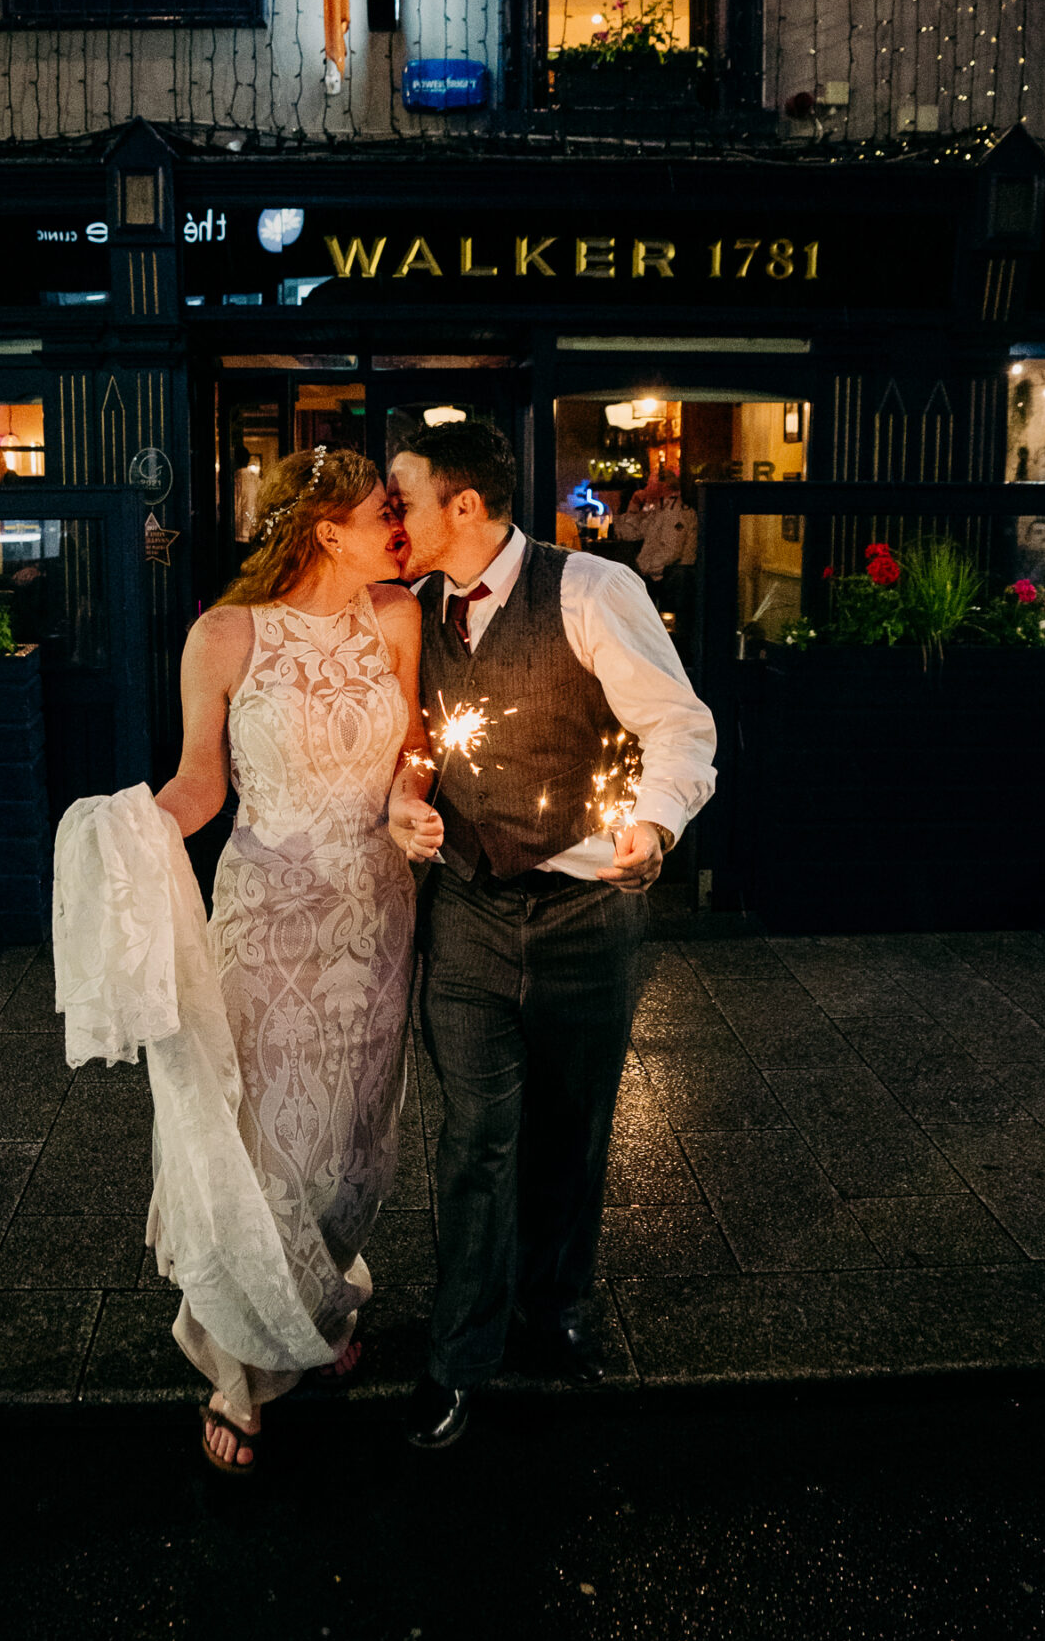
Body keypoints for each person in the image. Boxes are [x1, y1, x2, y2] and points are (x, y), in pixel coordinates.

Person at [385, 419, 717, 1451]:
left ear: (466, 506)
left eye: (403, 498)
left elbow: (681, 725)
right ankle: (457, 1356)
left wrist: (656, 823)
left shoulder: (591, 591)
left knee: (572, 1130)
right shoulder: (417, 613)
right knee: (475, 1140)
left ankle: (554, 1304)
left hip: (586, 914)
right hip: (472, 913)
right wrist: (407, 807)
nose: (392, 518)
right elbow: (418, 752)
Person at [154, 444, 426, 1471]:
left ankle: (315, 1303)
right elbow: (201, 785)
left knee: (353, 1143)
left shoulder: (395, 618)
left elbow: (415, 749)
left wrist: (409, 801)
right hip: (268, 921)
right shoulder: (225, 635)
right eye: (382, 514)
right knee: (266, 1139)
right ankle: (234, 1362)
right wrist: (138, 824)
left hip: (373, 914)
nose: (399, 530)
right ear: (327, 530)